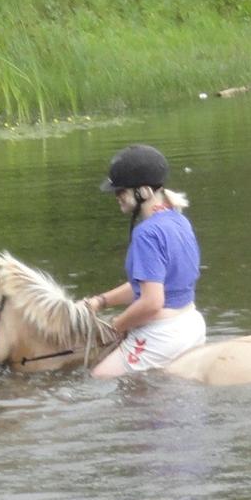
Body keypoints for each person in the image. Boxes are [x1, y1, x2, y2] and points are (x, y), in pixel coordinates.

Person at [84, 144, 206, 377]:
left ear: (144, 192)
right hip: (191, 323)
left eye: (122, 191)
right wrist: (100, 302)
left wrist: (116, 326)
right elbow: (149, 284)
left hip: (162, 334)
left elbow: (151, 301)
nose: (117, 196)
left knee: (98, 377)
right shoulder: (178, 220)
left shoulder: (146, 234)